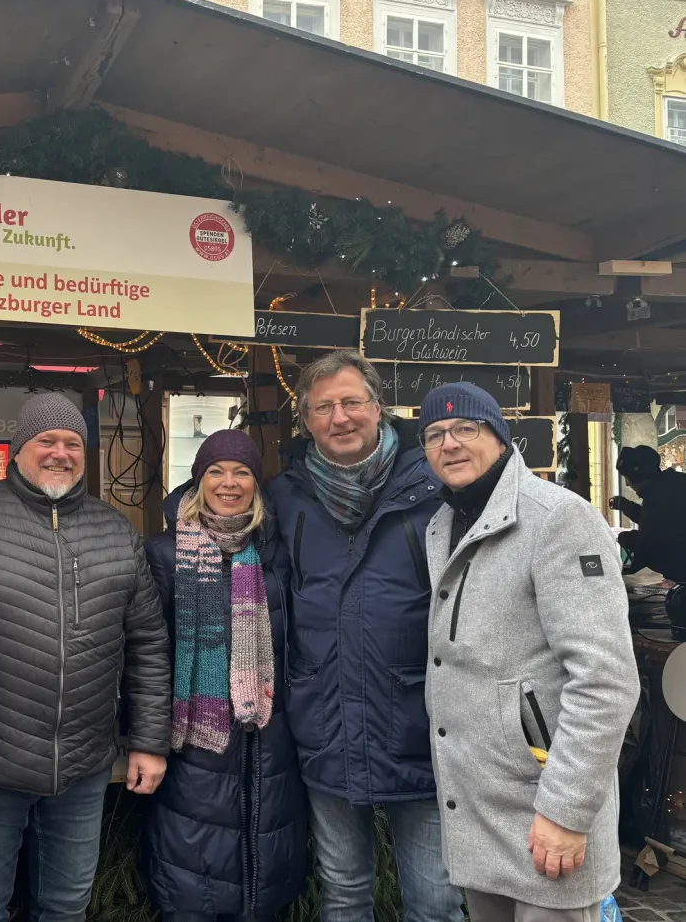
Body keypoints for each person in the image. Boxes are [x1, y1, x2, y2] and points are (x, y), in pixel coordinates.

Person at [0, 392, 171, 922]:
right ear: (17, 450)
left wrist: (149, 742)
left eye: (72, 443)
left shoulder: (116, 532)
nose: (60, 453)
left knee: (66, 907)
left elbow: (147, 643)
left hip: (84, 764)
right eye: (46, 441)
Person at [418, 383, 639, 922]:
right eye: (434, 434)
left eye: (466, 429)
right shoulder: (441, 524)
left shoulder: (559, 519)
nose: (450, 444)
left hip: (543, 807)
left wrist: (566, 810)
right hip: (480, 811)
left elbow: (605, 681)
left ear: (499, 437)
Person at [267, 350, 461, 922]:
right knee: (344, 891)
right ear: (305, 420)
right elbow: (217, 506)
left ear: (379, 409)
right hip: (325, 717)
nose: (339, 417)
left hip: (420, 721)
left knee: (434, 900)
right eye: (323, 407)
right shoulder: (286, 496)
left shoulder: (433, 487)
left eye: (352, 402)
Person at [142, 430, 309, 922]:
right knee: (195, 883)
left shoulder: (278, 557)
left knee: (266, 885)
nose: (229, 482)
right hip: (195, 749)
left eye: (242, 473)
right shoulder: (165, 554)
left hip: (272, 744)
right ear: (198, 481)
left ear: (258, 485)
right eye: (216, 471)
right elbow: (149, 655)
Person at [611, 444, 686, 582]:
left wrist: (623, 537)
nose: (628, 485)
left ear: (638, 476)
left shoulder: (656, 496)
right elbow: (659, 521)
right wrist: (627, 507)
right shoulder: (673, 485)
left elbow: (648, 543)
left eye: (628, 479)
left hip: (669, 579)